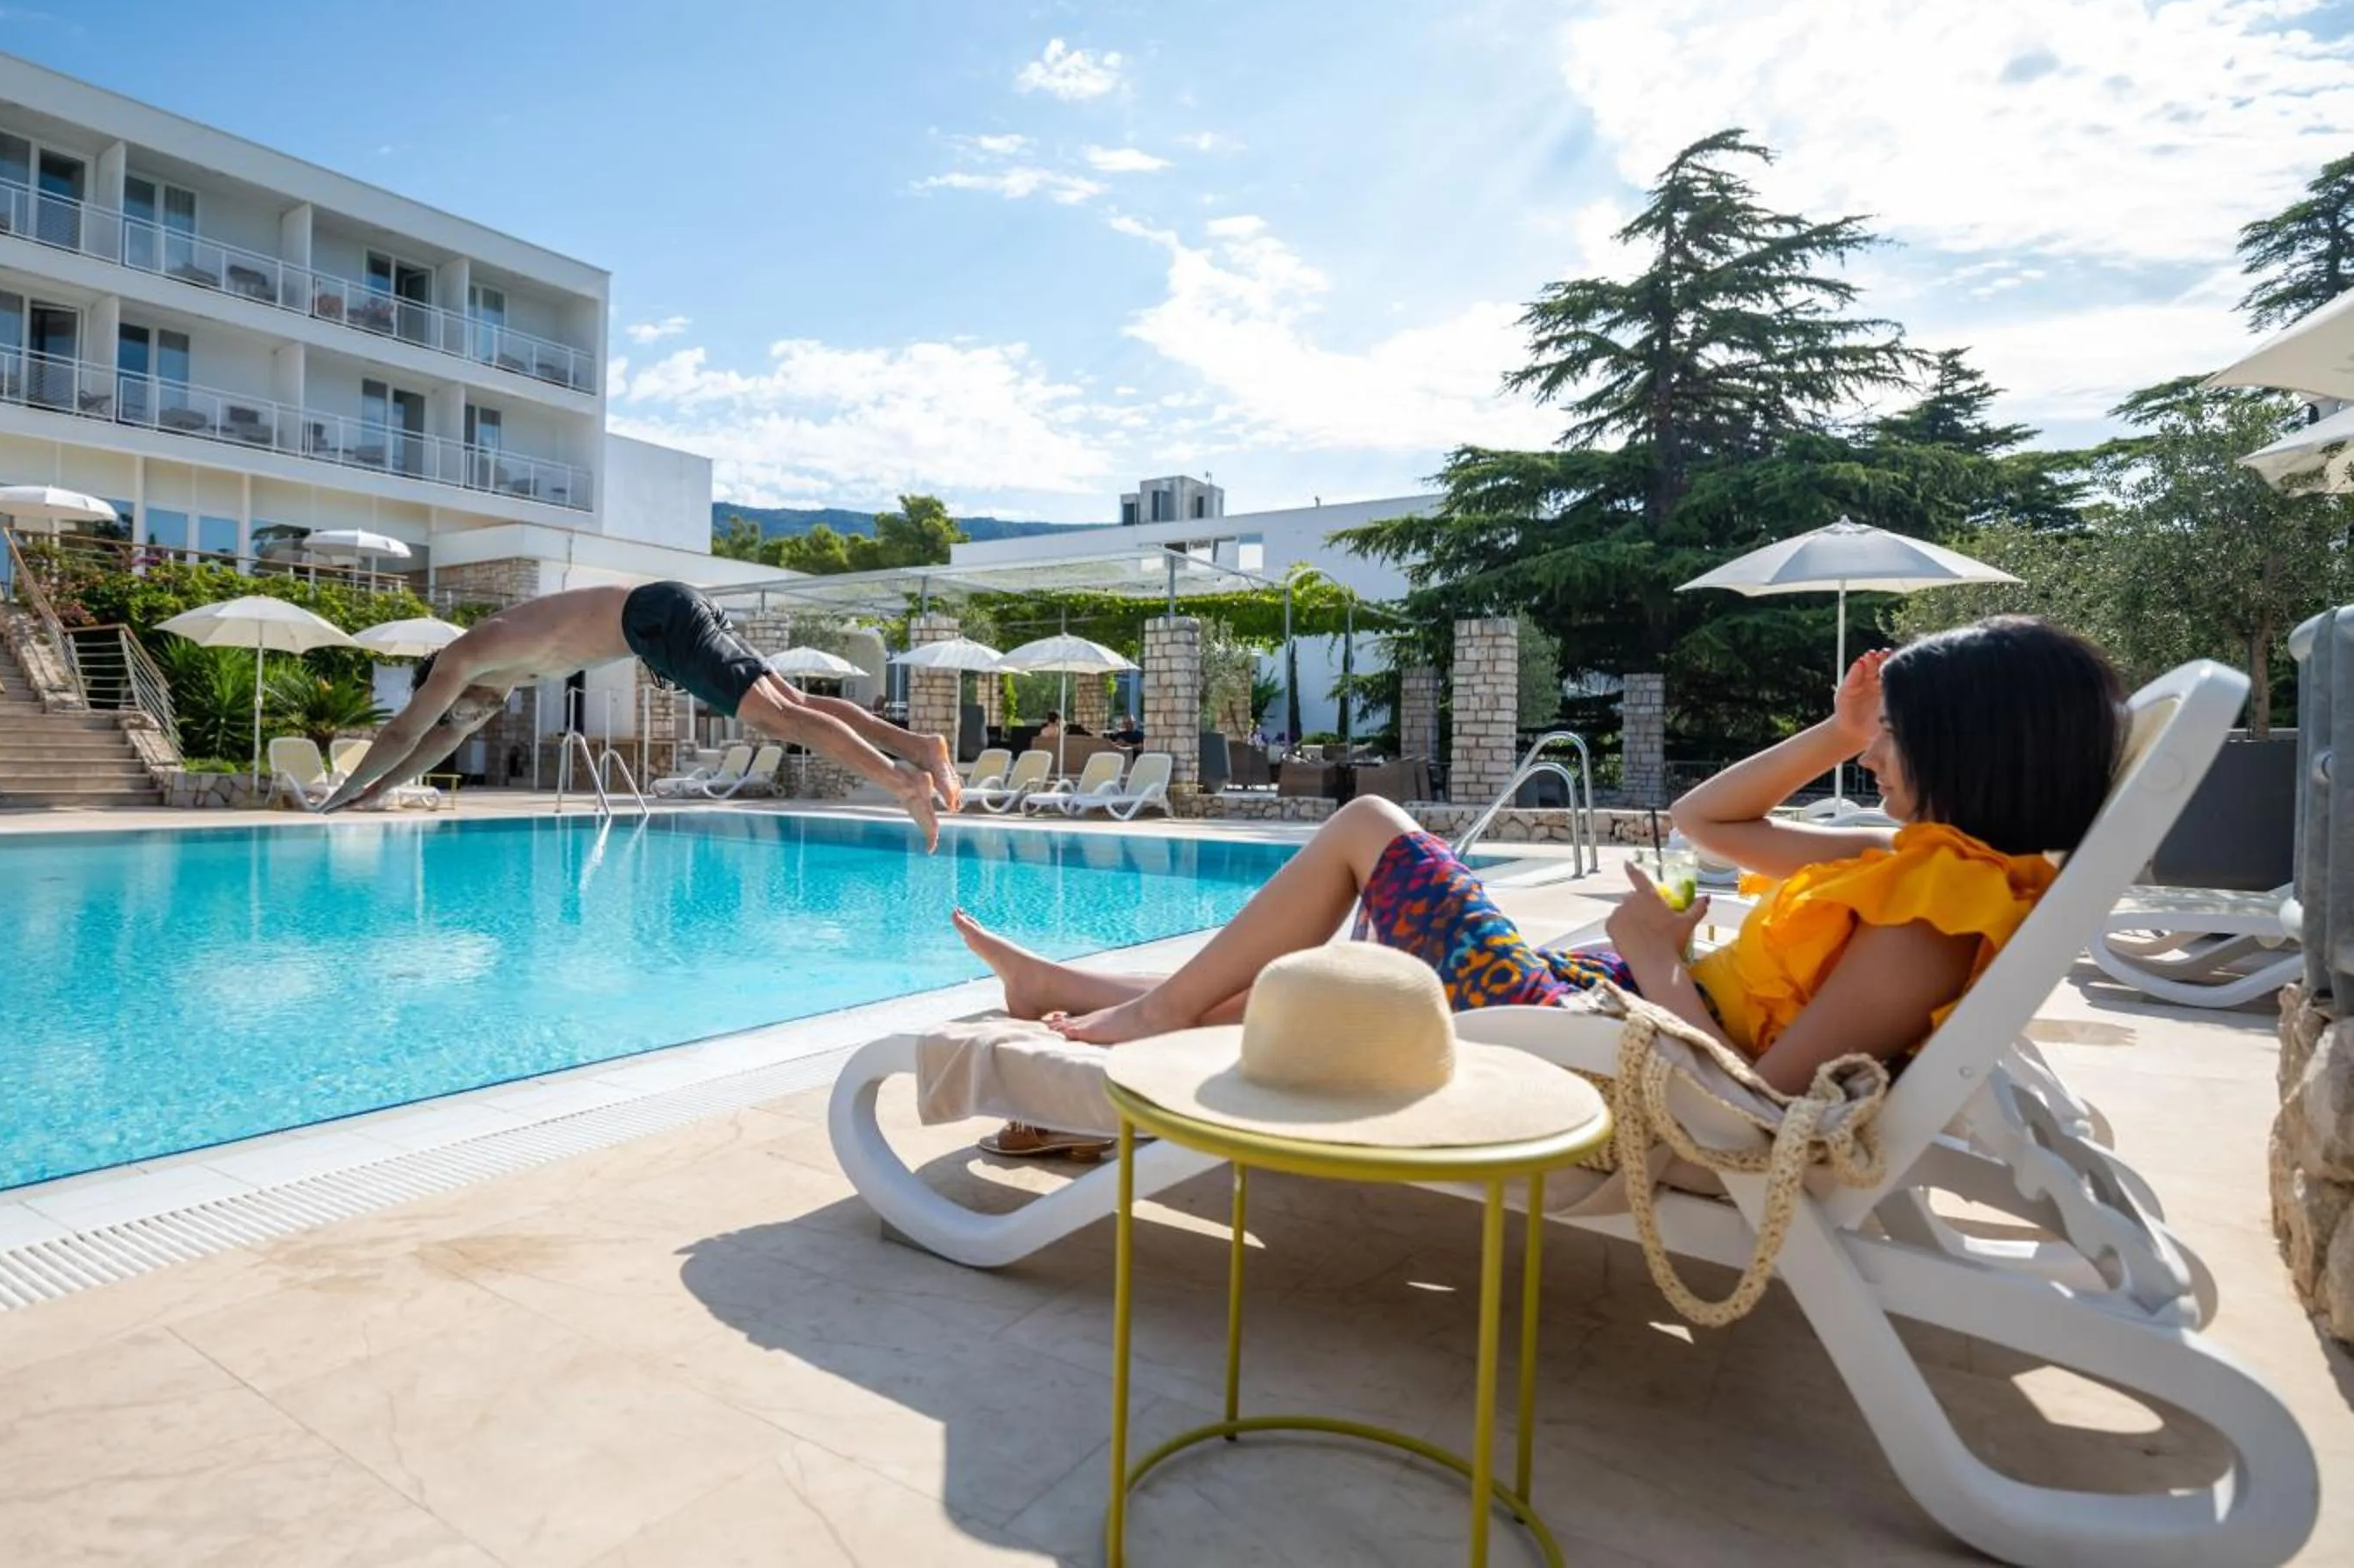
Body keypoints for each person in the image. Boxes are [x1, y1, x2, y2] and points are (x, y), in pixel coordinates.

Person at [950, 617, 2123, 1094]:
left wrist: (1655, 956)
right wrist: (1839, 729)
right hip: (1604, 1001)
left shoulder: (1930, 917)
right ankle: (1070, 990)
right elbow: (1703, 823)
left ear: (1972, 748)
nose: (1874, 764)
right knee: (1311, 989)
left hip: (1615, 1034)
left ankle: (1148, 1015)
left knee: (1367, 829)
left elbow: (1760, 1100)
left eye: (1894, 741)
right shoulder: (1920, 861)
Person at [320, 582, 962, 847]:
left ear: (436, 680)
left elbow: (408, 728)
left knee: (775, 719)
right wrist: (383, 788)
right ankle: (921, 745)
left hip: (656, 623)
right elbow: (436, 742)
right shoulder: (497, 679)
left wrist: (342, 793)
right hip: (665, 612)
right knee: (788, 704)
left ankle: (904, 782)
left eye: (452, 706)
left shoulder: (462, 659)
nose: (465, 716)